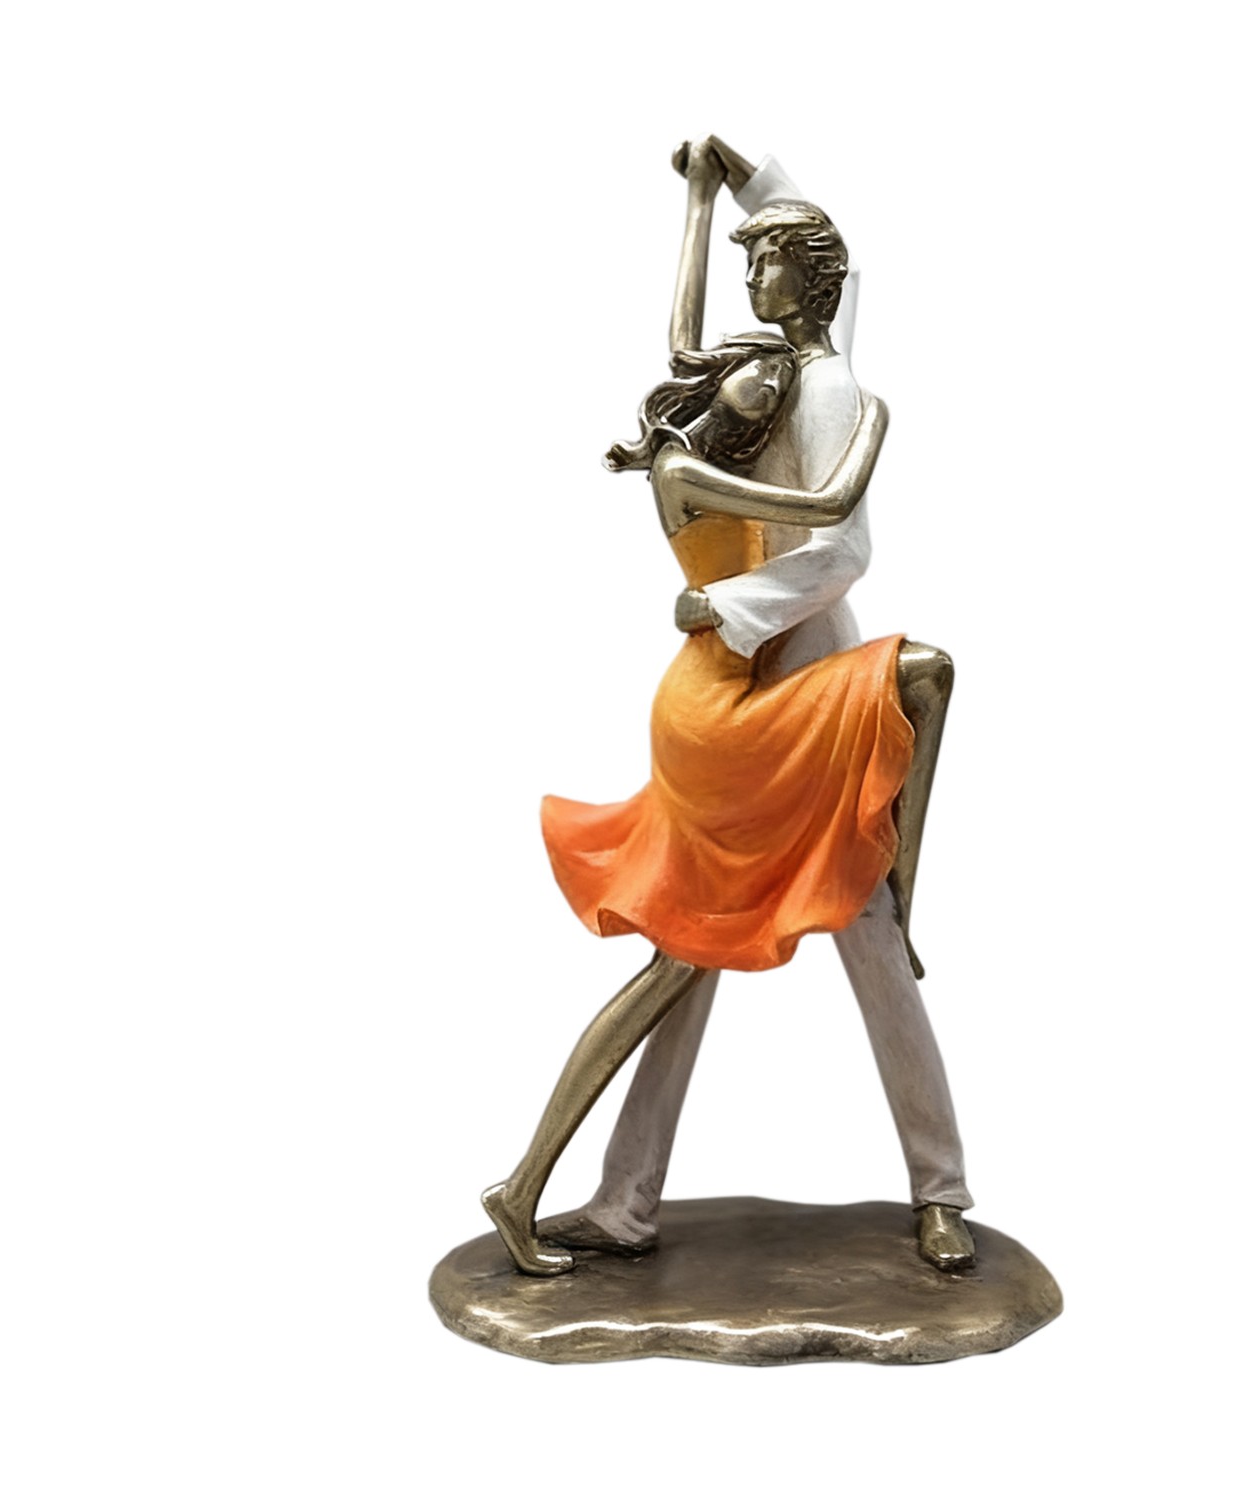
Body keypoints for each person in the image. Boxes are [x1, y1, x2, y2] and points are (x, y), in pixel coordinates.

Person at [498, 142, 978, 1274]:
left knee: (864, 927)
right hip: (740, 693)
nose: (748, 280)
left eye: (765, 264)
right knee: (698, 941)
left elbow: (842, 550)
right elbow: (821, 282)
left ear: (805, 282)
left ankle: (939, 1190)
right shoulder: (783, 372)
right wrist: (735, 181)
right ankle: (625, 1199)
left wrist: (726, 608)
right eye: (749, 262)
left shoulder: (829, 388)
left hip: (805, 679)